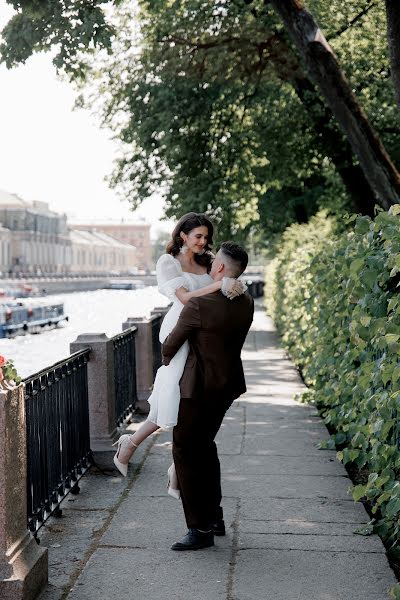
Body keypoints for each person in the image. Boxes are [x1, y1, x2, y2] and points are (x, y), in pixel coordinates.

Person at [112, 214, 246, 486]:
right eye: (198, 236)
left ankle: (147, 450)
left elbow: (222, 282)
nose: (204, 241)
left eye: (207, 237)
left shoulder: (208, 260)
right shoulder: (167, 262)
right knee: (177, 396)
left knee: (186, 401)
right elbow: (184, 298)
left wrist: (232, 286)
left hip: (204, 332)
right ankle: (165, 459)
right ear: (182, 235)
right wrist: (220, 285)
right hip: (181, 329)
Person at [161, 241, 254, 551]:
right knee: (205, 448)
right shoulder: (247, 303)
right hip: (226, 387)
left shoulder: (199, 306)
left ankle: (199, 528)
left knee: (186, 452)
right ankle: (214, 518)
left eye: (216, 264)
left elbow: (169, 346)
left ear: (221, 269)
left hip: (196, 390)